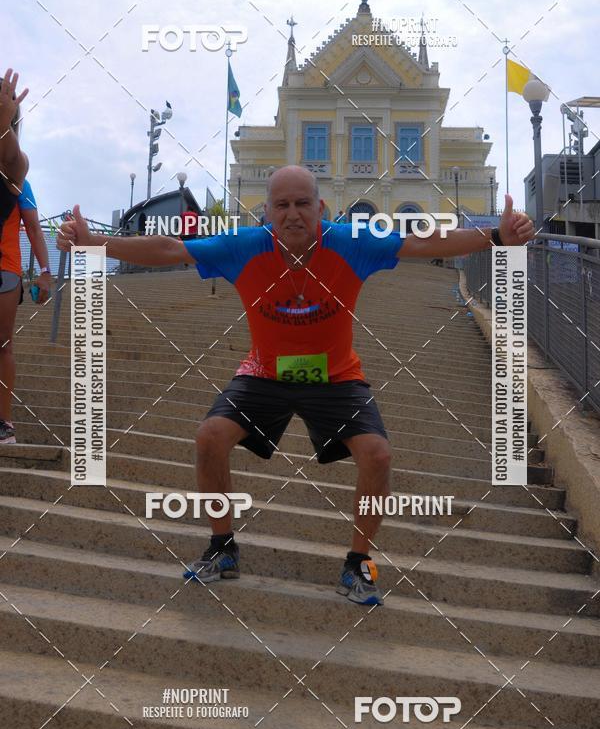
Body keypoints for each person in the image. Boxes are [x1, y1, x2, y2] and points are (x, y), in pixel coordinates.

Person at [57, 165, 534, 604]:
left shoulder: (353, 241)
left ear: (320, 209)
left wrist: (495, 235)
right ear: (267, 212)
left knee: (378, 454)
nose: (292, 214)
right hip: (264, 372)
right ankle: (222, 548)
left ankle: (358, 565)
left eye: (302, 203)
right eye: (281, 205)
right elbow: (170, 249)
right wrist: (95, 242)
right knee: (209, 438)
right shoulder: (244, 246)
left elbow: (424, 243)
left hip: (336, 377)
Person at [0, 69, 51, 444]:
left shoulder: (17, 172)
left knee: (3, 344)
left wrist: (45, 272)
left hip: (4, 269)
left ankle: (4, 424)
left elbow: (34, 228)